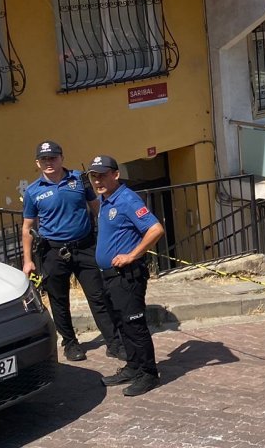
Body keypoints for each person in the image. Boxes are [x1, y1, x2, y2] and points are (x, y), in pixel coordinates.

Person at [21, 140, 124, 362]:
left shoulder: (79, 179)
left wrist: (111, 238)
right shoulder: (33, 191)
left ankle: (114, 342)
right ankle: (70, 343)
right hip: (53, 252)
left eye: (53, 158)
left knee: (98, 296)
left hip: (85, 247)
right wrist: (27, 261)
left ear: (61, 158)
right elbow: (28, 227)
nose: (49, 162)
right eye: (44, 159)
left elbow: (98, 209)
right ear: (37, 163)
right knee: (59, 300)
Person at [88, 155, 165, 397]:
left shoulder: (128, 199)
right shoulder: (105, 199)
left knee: (134, 324)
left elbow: (155, 229)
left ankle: (149, 374)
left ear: (115, 174)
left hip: (127, 275)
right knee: (121, 323)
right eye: (94, 176)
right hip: (109, 275)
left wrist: (132, 255)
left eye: (102, 175)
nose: (98, 180)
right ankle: (133, 367)